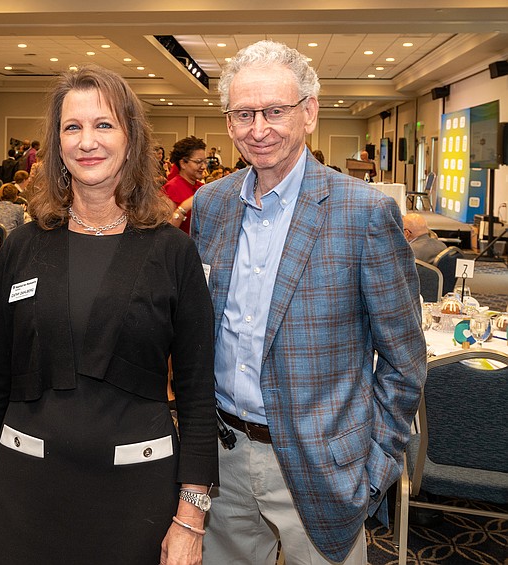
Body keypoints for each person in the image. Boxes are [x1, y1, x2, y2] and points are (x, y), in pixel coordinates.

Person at [0, 64, 218, 565]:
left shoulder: (172, 252)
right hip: (25, 490)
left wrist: (190, 517)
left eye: (103, 125)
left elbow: (198, 393)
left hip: (137, 496)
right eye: (72, 127)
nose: (87, 141)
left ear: (131, 139)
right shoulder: (23, 246)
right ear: (56, 144)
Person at [192, 40, 426, 564]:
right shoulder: (211, 205)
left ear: (309, 113)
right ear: (228, 122)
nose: (259, 129)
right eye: (244, 114)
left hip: (324, 466)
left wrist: (373, 471)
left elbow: (405, 361)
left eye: (275, 111)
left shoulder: (363, 213)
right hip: (221, 458)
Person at [163, 136, 206, 234]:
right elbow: (166, 232)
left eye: (204, 162)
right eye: (198, 162)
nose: (203, 166)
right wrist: (184, 208)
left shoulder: (202, 187)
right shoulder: (171, 188)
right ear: (183, 163)